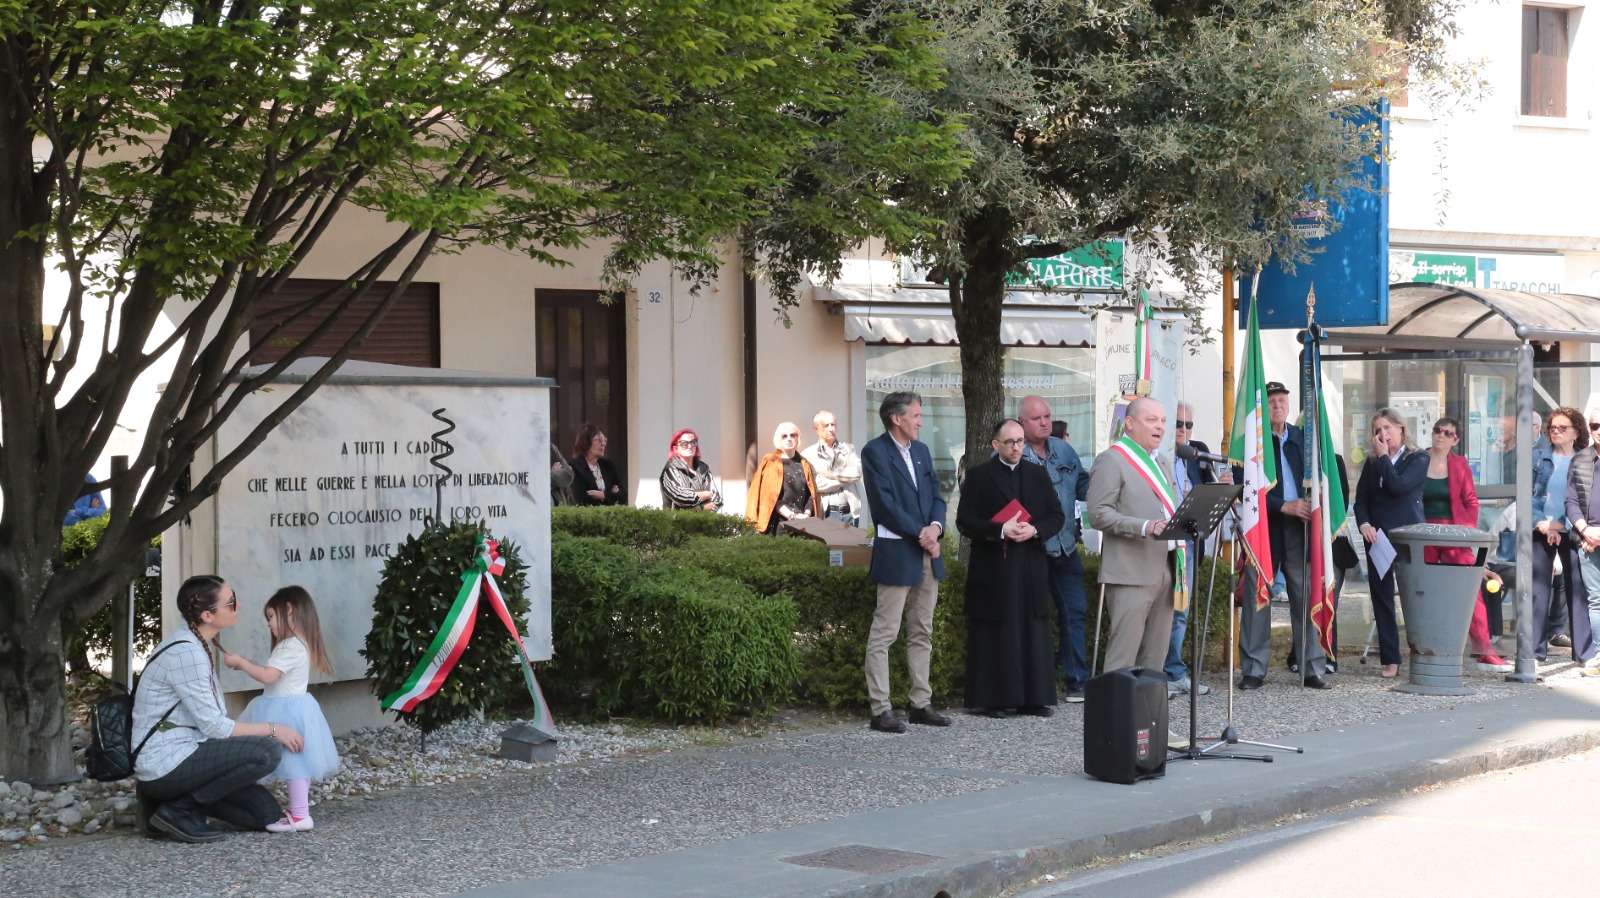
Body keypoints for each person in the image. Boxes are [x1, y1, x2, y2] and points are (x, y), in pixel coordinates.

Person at [133, 575, 303, 843]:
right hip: (165, 762)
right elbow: (216, 726)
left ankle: (162, 804)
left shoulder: (197, 642)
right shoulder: (186, 653)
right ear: (207, 615)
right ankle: (177, 810)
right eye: (231, 603)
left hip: (190, 749)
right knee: (266, 751)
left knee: (265, 814)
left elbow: (212, 725)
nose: (238, 607)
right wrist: (273, 729)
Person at [957, 418, 1066, 717]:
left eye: (1020, 442)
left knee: (1032, 629)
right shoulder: (979, 477)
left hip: (1030, 563)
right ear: (996, 445)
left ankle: (1035, 698)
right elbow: (964, 522)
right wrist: (1000, 529)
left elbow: (1056, 516)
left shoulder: (1037, 474)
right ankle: (994, 699)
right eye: (1010, 442)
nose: (1016, 447)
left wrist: (1035, 530)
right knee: (997, 632)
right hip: (994, 566)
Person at [860, 391, 950, 733]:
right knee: (884, 633)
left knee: (921, 631)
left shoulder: (923, 452)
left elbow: (937, 498)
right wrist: (922, 533)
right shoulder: (875, 452)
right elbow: (883, 506)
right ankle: (880, 709)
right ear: (896, 418)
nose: (921, 421)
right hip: (898, 551)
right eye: (915, 415)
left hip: (927, 552)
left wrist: (936, 528)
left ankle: (920, 703)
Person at [1236, 382, 1331, 690]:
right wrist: (1283, 505)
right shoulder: (1251, 442)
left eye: (1282, 400)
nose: (1278, 405)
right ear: (1262, 408)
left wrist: (1310, 505)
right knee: (1257, 598)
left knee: (1305, 597)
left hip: (1301, 527)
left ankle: (1312, 666)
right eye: (1272, 401)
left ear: (1289, 406)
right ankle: (1253, 668)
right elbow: (1245, 490)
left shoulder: (1305, 439)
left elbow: (1321, 478)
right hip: (1264, 528)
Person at [226, 586, 341, 833]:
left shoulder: (290, 645)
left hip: (285, 710)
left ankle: (300, 816)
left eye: (270, 616)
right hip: (292, 707)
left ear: (288, 610)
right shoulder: (298, 643)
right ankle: (298, 811)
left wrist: (242, 663)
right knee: (297, 760)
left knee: (294, 760)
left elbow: (268, 676)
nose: (269, 624)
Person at [1087, 396, 1184, 673]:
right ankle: (1116, 716)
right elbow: (1098, 514)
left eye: (1163, 421)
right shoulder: (1111, 460)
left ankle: (1147, 716)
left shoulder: (1163, 462)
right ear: (1129, 423)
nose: (1160, 427)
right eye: (1151, 420)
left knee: (1155, 659)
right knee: (1123, 658)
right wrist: (1144, 526)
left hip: (1165, 569)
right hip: (1129, 571)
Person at [1015, 395, 1092, 703]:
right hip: (1031, 551)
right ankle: (1036, 686)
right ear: (1022, 422)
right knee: (1033, 618)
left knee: (1075, 612)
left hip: (1066, 548)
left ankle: (1078, 682)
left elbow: (1085, 486)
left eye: (1047, 416)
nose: (1045, 422)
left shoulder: (1064, 450)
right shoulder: (1014, 455)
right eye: (1037, 418)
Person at [1421, 417, 1512, 673]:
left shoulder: (1460, 464)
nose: (1441, 435)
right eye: (1438, 430)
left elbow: (1471, 501)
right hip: (1423, 533)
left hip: (1453, 533)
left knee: (1470, 590)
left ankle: (1484, 650)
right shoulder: (1418, 460)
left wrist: (1465, 532)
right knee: (1424, 590)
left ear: (1456, 439)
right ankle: (1427, 649)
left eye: (1447, 433)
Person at [1354, 408, 1429, 678]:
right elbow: (1361, 498)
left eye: (1387, 428)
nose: (1382, 434)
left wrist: (1385, 456)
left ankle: (1422, 652)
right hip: (1379, 537)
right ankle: (1390, 657)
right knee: (1382, 597)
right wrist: (1363, 523)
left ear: (1400, 429)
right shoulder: (1373, 463)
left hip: (1408, 536)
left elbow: (1399, 486)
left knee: (1414, 597)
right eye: (1377, 430)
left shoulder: (1418, 458)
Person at [1165, 400, 1230, 697]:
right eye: (1179, 424)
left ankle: (1174, 672)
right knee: (1157, 610)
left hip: (1185, 545)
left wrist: (1223, 484)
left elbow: (1210, 489)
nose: (1184, 430)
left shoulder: (1196, 451)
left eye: (1188, 424)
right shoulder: (1158, 455)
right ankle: (1155, 674)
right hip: (1159, 541)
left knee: (1180, 608)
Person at [1530, 406, 1589, 662]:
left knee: (1578, 589)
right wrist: (1543, 523)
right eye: (1553, 427)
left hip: (1573, 529)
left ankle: (1585, 653)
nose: (1556, 431)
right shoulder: (1537, 457)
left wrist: (1561, 525)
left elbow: (1583, 500)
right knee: (1538, 590)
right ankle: (1533, 651)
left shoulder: (1586, 460)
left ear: (1576, 432)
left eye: (1563, 427)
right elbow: (1527, 495)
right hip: (1541, 529)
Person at [1564, 407, 1600, 673]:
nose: (1599, 431)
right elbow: (1571, 500)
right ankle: (1599, 653)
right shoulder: (1580, 460)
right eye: (1596, 426)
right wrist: (1585, 530)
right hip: (1588, 538)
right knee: (1596, 600)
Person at [746, 422, 820, 534]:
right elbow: (769, 496)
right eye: (784, 436)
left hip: (803, 523)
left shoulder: (804, 463)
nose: (789, 439)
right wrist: (792, 515)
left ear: (798, 438)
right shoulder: (771, 462)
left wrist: (806, 514)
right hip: (780, 524)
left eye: (793, 435)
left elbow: (811, 494)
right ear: (778, 439)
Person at [801, 410, 863, 525]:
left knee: (851, 543)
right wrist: (844, 481)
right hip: (826, 512)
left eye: (833, 425)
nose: (830, 428)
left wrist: (829, 474)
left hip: (850, 511)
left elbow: (857, 473)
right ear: (816, 430)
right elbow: (816, 484)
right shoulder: (808, 454)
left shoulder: (848, 449)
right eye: (825, 426)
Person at [659, 428, 722, 511]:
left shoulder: (703, 469)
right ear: (675, 449)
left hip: (704, 522)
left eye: (693, 442)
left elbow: (718, 500)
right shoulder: (670, 470)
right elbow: (680, 497)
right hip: (676, 522)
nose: (690, 446)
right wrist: (706, 498)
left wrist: (695, 499)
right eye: (684, 443)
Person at [569, 424, 625, 506]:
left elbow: (623, 496)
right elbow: (581, 500)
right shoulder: (575, 467)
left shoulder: (608, 465)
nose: (603, 444)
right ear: (585, 443)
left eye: (604, 440)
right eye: (598, 440)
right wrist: (611, 496)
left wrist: (603, 495)